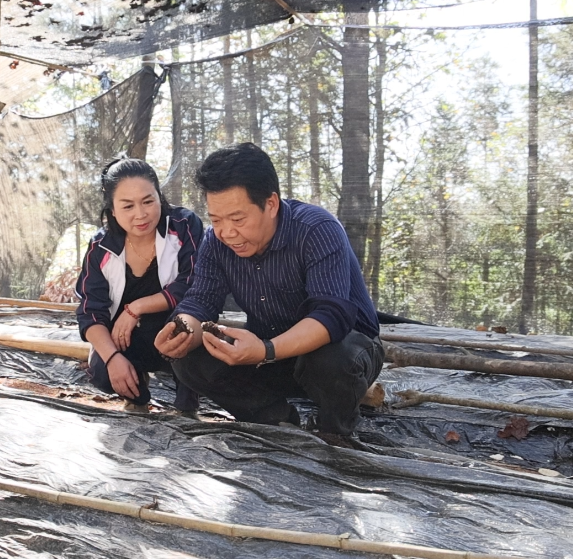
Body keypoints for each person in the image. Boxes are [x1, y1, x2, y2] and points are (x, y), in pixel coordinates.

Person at [154, 143, 383, 435]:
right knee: (189, 359)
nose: (227, 232)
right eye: (216, 220)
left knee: (330, 359)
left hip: (345, 353)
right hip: (269, 352)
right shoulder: (215, 243)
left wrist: (266, 350)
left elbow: (332, 315)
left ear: (271, 204)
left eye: (237, 219)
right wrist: (182, 329)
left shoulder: (317, 229)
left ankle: (335, 431)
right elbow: (200, 300)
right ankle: (276, 420)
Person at [75, 158, 204, 413]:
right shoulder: (100, 247)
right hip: (128, 338)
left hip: (175, 332)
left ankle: (187, 406)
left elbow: (193, 283)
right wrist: (112, 359)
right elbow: (90, 311)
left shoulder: (184, 225)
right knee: (102, 371)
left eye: (148, 201)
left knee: (186, 331)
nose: (141, 214)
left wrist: (137, 307)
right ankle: (137, 395)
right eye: (127, 206)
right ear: (112, 210)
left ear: (159, 196)